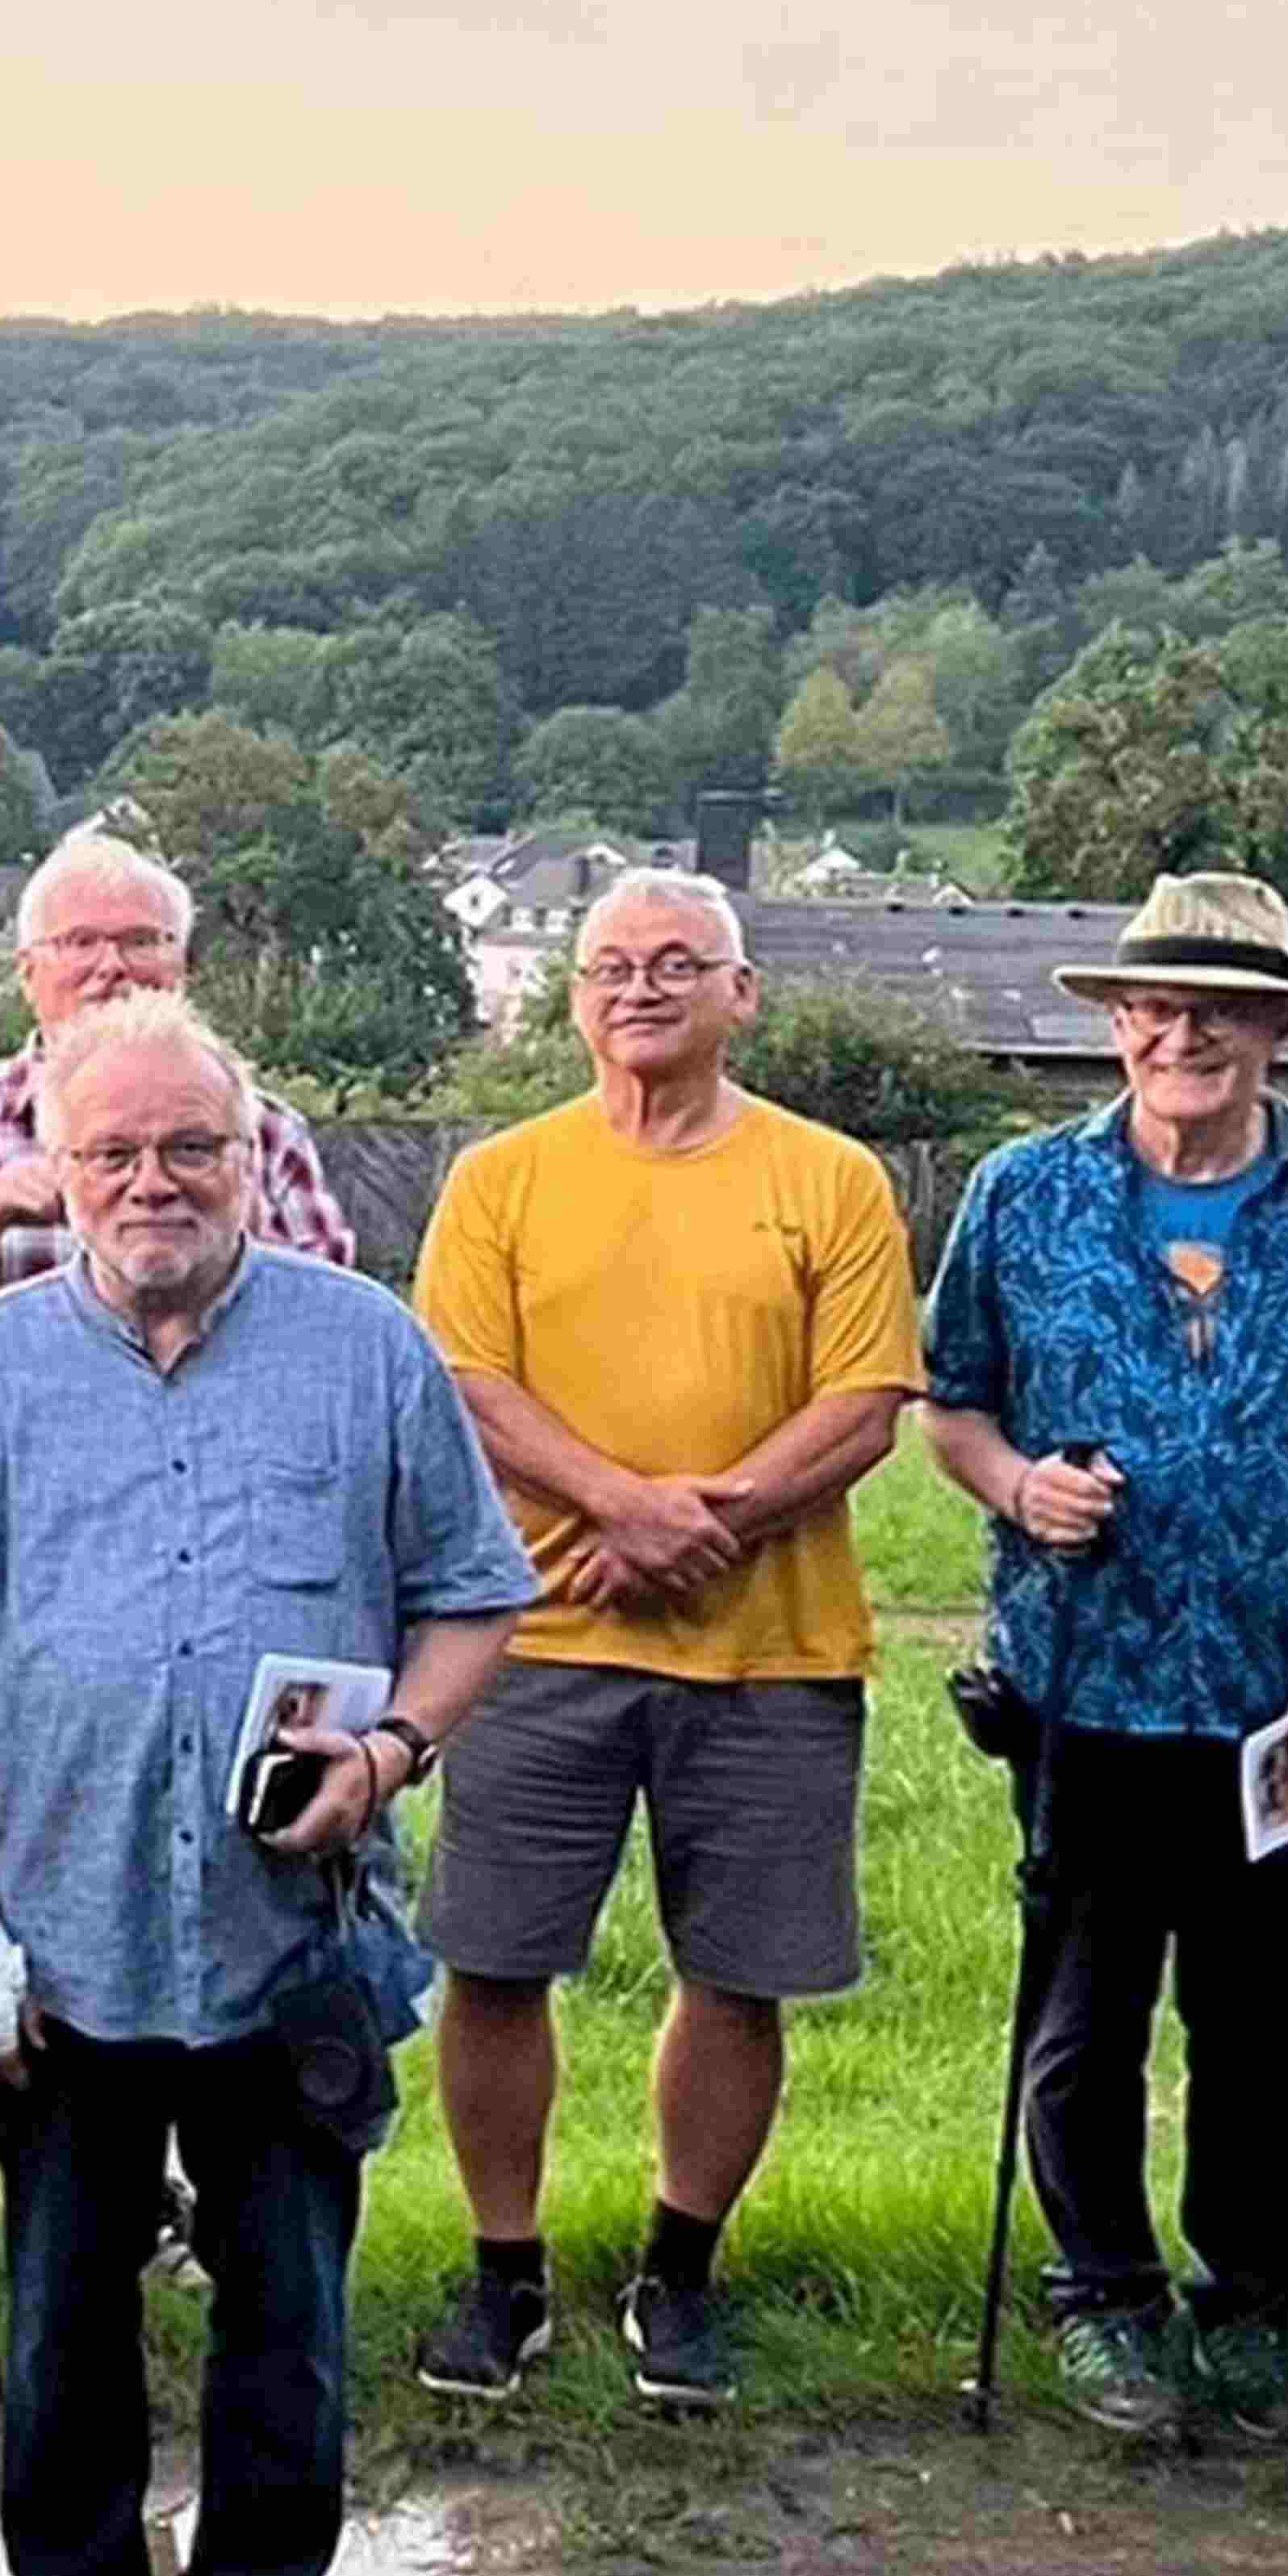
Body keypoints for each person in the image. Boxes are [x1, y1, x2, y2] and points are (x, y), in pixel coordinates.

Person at [0, 995, 530, 2576]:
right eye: (111, 1151)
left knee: (289, 2308)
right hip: (61, 1927)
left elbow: (473, 1591)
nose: (150, 1180)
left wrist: (389, 1748)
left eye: (188, 1146)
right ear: (52, 1171)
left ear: (249, 1157)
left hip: (286, 1937)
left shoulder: (362, 1350)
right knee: (59, 2302)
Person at [919, 872, 1288, 2449]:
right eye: (1153, 1006)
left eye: (1218, 1007)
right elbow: (948, 1398)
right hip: (1078, 1683)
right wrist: (1015, 1482)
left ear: (1272, 1029)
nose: (1181, 1032)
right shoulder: (1021, 1191)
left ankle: (1245, 2307)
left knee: (1257, 2014)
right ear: (1113, 1023)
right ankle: (1103, 2302)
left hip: (1278, 1696)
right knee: (1081, 2011)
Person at [407, 871, 922, 2419]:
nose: (639, 989)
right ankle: (505, 2273)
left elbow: (865, 1400)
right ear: (571, 1001)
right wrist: (619, 1504)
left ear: (740, 993)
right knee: (492, 1962)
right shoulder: (500, 1178)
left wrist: (709, 1517)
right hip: (537, 1639)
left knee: (736, 1975)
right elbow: (463, 1381)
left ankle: (678, 2273)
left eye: (676, 964)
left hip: (767, 1648)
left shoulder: (830, 1180)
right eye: (608, 967)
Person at [0, 817, 359, 2275]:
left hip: (208, 1554)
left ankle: (177, 2184)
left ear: (183, 965)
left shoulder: (252, 1123)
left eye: (141, 943)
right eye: (82, 942)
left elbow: (321, 1312)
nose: (111, 965)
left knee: (186, 1857)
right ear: (28, 966)